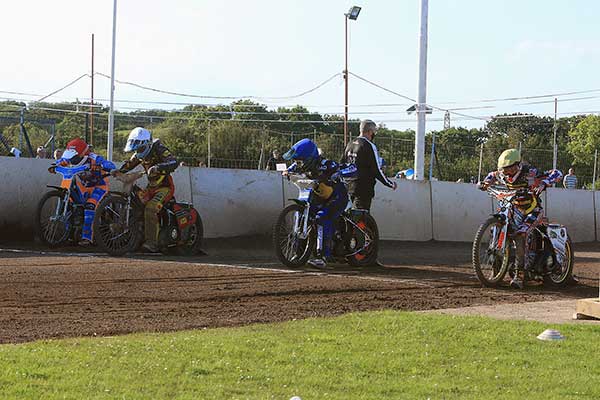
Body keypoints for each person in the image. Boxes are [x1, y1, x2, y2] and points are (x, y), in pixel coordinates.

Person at [479, 148, 562, 289]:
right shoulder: (501, 173)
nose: (505, 172)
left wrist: (544, 183)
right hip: (512, 209)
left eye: (509, 169)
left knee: (521, 234)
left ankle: (520, 275)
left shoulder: (530, 173)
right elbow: (491, 175)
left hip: (532, 210)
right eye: (503, 169)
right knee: (495, 230)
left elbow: (557, 173)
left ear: (517, 165)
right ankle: (497, 270)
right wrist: (485, 183)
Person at [282, 138, 356, 268]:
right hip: (317, 197)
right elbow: (291, 169)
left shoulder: (327, 164)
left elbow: (352, 168)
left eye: (300, 161)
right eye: (296, 162)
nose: (298, 164)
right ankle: (298, 254)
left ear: (309, 158)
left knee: (322, 218)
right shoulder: (300, 164)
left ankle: (322, 257)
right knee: (304, 218)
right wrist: (287, 172)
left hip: (337, 197)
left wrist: (337, 174)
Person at [117, 127, 178, 252]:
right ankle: (136, 239)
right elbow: (129, 165)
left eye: (140, 149)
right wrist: (116, 172)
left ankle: (152, 243)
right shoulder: (139, 154)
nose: (138, 152)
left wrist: (157, 167)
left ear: (147, 143)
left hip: (165, 188)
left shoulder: (159, 148)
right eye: (136, 150)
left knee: (151, 208)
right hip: (150, 188)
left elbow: (174, 161)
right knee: (137, 204)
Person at [52, 138, 116, 245]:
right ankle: (69, 234)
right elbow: (62, 161)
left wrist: (101, 166)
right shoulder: (70, 158)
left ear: (82, 154)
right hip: (83, 186)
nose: (71, 160)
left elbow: (110, 165)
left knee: (90, 205)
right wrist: (55, 165)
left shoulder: (94, 158)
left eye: (73, 157)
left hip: (99, 186)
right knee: (72, 205)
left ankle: (87, 237)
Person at [342, 120, 397, 211]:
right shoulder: (369, 145)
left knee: (347, 217)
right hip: (363, 188)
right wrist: (389, 184)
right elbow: (376, 169)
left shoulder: (350, 144)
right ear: (370, 132)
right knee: (361, 218)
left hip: (348, 186)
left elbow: (342, 164)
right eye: (374, 132)